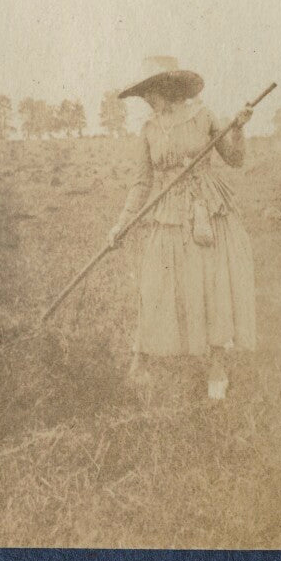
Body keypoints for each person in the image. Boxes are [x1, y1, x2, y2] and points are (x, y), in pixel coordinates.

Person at [108, 70, 255, 399]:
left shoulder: (204, 116)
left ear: (167, 88)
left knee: (211, 286)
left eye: (149, 91)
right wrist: (121, 224)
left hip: (208, 212)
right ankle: (139, 362)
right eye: (142, 93)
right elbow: (141, 183)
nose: (146, 99)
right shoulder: (148, 129)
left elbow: (235, 159)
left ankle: (216, 367)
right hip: (167, 213)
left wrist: (239, 129)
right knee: (153, 284)